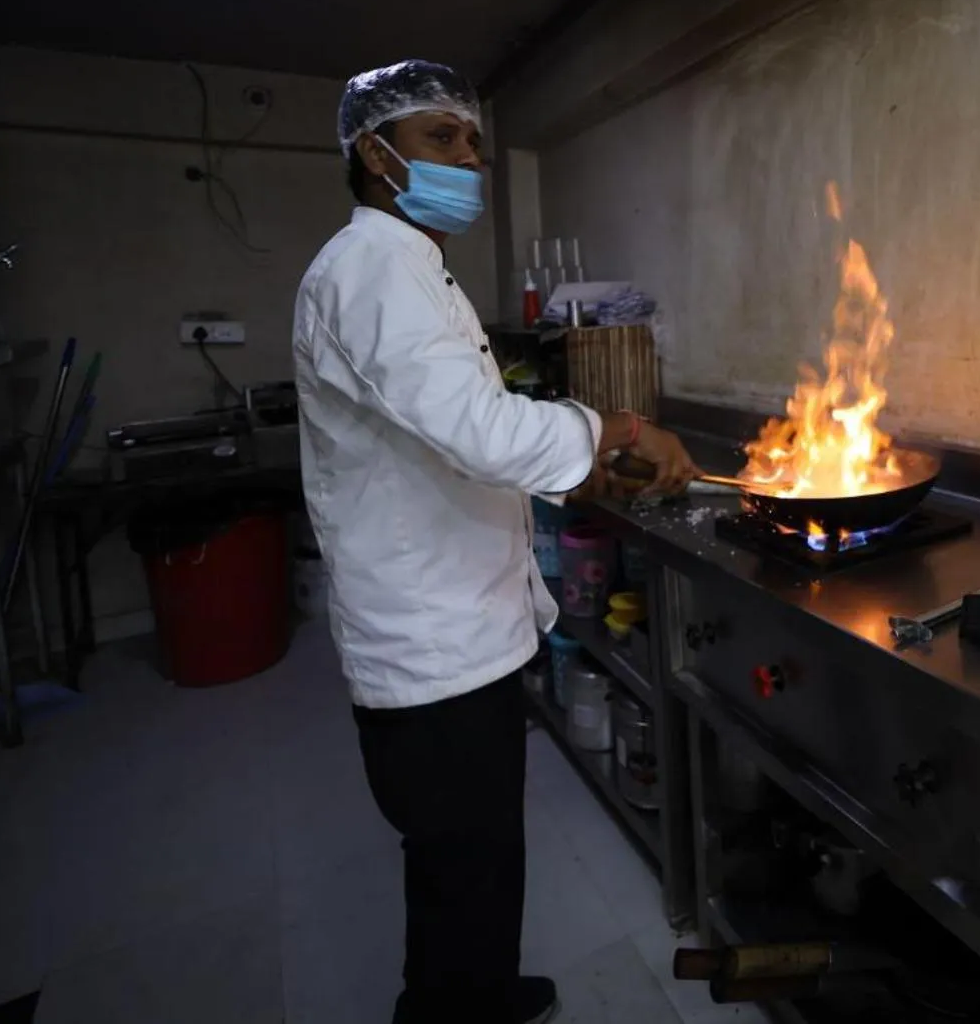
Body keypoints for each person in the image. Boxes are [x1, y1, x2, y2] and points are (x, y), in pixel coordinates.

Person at [293, 59, 698, 1024]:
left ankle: (473, 991)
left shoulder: (410, 265)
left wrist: (580, 455)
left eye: (471, 140)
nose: (467, 158)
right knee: (459, 853)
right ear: (373, 153)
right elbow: (478, 431)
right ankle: (448, 1009)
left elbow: (463, 422)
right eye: (442, 139)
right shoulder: (370, 268)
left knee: (474, 851)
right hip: (429, 642)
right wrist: (621, 431)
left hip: (462, 625)